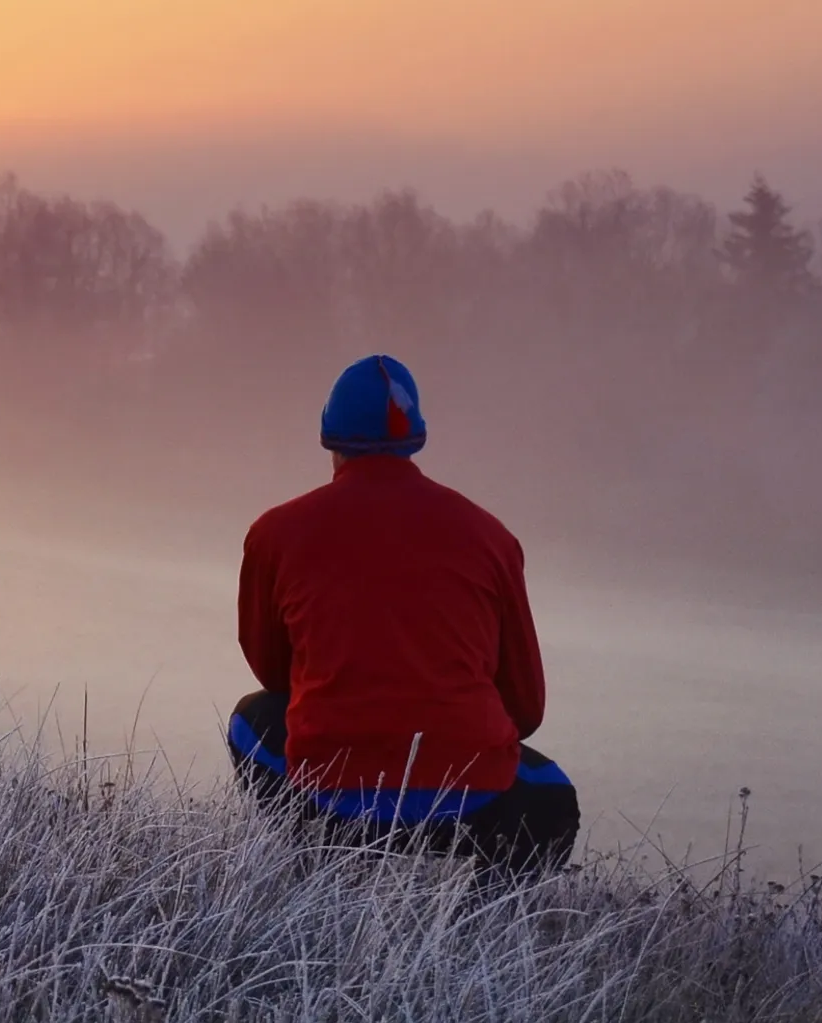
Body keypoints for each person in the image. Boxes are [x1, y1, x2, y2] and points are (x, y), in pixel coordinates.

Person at [228, 354, 579, 872]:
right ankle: (479, 928)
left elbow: (274, 674)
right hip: (471, 810)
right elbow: (525, 709)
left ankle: (317, 870)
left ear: (331, 439)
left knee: (248, 720)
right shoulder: (492, 538)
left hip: (333, 798)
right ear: (416, 438)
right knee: (552, 793)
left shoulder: (274, 534)